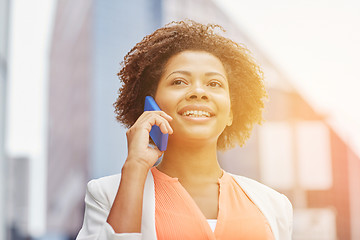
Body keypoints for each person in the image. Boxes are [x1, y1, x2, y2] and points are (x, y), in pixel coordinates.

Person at [76, 20, 293, 240]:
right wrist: (135, 167)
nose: (198, 92)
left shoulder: (274, 205)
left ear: (231, 113)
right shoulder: (108, 194)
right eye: (179, 81)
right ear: (151, 106)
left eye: (214, 84)